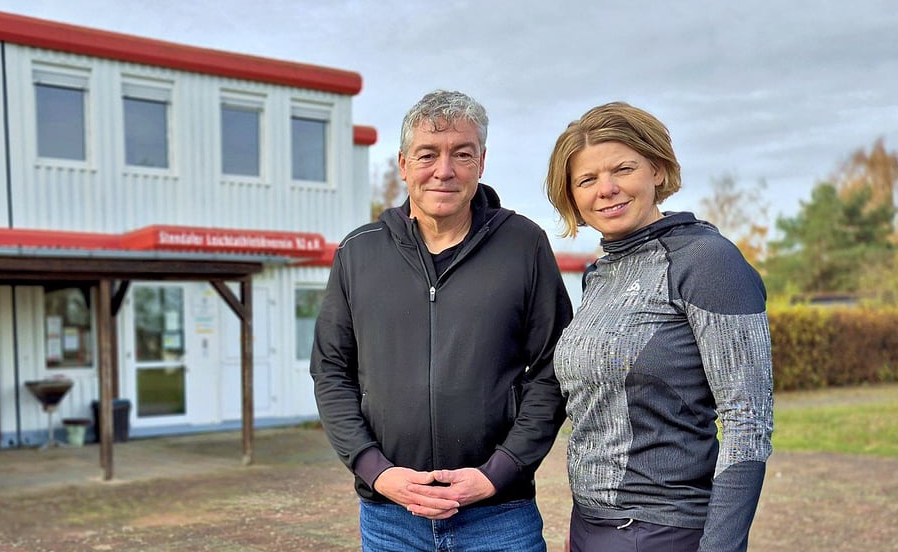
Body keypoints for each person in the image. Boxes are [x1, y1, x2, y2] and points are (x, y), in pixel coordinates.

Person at [311, 89, 574, 551]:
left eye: (462, 154)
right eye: (428, 154)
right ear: (403, 163)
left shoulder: (524, 245)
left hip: (500, 516)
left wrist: (499, 472)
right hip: (391, 517)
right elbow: (331, 372)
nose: (444, 170)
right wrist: (378, 471)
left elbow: (555, 368)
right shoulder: (358, 252)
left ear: (482, 162)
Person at [544, 102, 773, 552]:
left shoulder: (707, 261)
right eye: (587, 179)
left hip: (664, 530)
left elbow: (748, 420)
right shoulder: (601, 273)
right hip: (589, 524)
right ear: (571, 196)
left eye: (623, 169)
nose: (606, 189)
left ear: (658, 171)